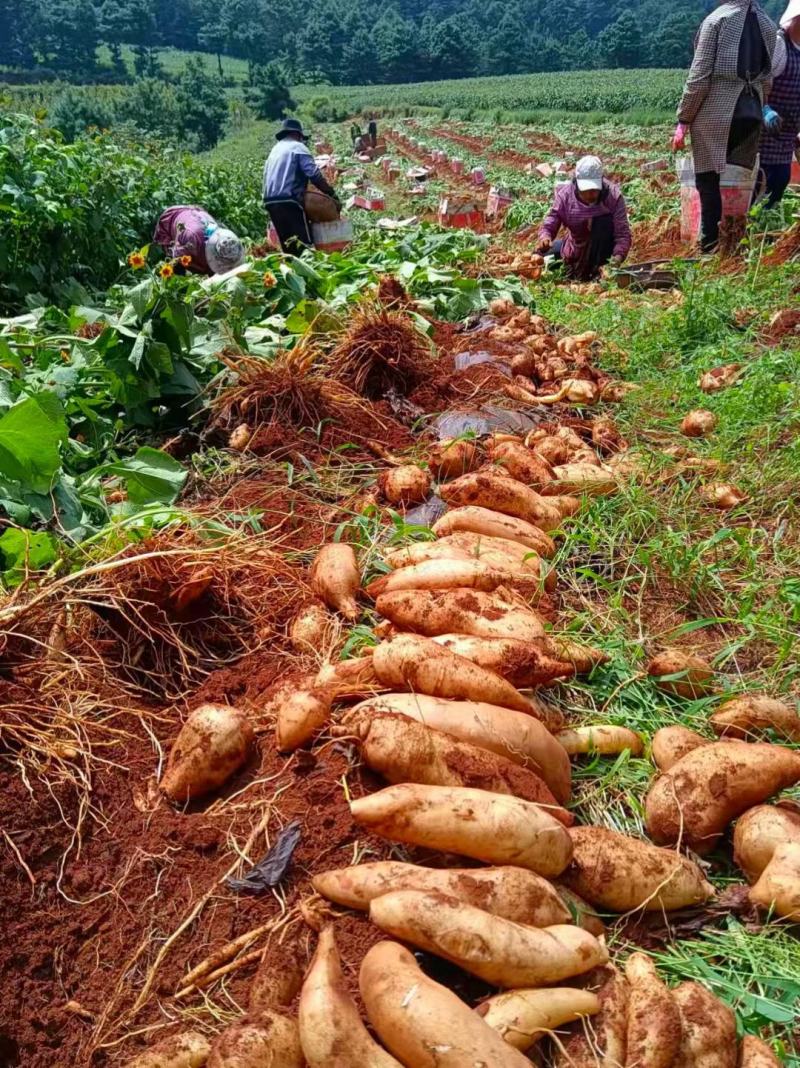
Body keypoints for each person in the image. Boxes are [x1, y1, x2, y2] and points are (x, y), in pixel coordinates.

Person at [673, 0, 778, 252]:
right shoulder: (767, 23)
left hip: (717, 111)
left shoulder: (716, 21)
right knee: (738, 180)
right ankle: (736, 239)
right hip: (751, 110)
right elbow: (767, 79)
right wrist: (763, 107)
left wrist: (683, 119)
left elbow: (698, 78)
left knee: (708, 178)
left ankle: (710, 245)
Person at [529, 156, 631, 282]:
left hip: (602, 250)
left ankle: (596, 273)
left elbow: (623, 234)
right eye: (586, 190)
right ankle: (574, 268)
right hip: (575, 247)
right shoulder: (566, 196)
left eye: (594, 190)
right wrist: (545, 236)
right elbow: (552, 219)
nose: (590, 194)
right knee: (540, 256)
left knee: (600, 223)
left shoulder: (613, 196)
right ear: (577, 183)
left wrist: (616, 260)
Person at [262, 118, 341, 254]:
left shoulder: (275, 150)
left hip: (270, 201)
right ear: (298, 135)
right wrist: (331, 193)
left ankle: (293, 270)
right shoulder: (298, 147)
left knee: (288, 246)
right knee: (304, 245)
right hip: (290, 200)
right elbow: (314, 174)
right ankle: (309, 270)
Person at [760, 0, 800, 206]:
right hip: (766, 130)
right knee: (764, 181)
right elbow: (758, 84)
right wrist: (765, 110)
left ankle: (766, 230)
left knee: (782, 179)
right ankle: (750, 228)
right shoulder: (779, 45)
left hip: (788, 134)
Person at [153, 207, 245, 275]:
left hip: (196, 217)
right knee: (178, 269)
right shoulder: (190, 240)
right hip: (173, 219)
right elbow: (176, 260)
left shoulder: (222, 236)